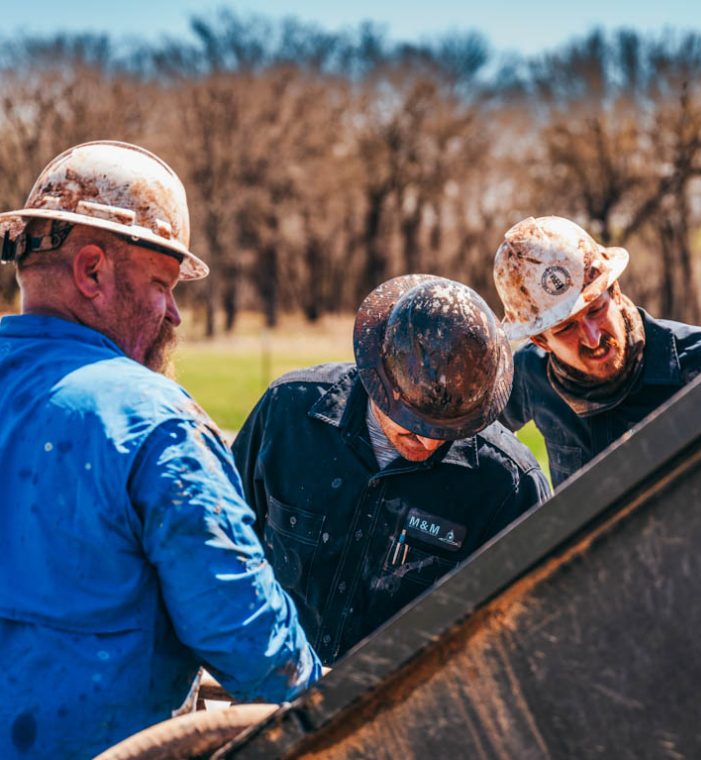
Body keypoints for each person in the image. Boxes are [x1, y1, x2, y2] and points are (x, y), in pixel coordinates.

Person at [0, 141, 321, 759]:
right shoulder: (154, 422)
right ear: (92, 272)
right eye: (161, 285)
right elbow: (258, 653)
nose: (174, 315)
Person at [232, 274, 549, 664]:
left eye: (450, 428)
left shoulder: (510, 487)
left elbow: (526, 639)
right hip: (267, 689)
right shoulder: (288, 415)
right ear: (377, 375)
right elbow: (219, 545)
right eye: (417, 422)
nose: (431, 442)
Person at [494, 215, 701, 487]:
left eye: (596, 310)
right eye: (566, 329)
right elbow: (470, 439)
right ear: (541, 341)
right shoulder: (531, 374)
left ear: (615, 292)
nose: (592, 337)